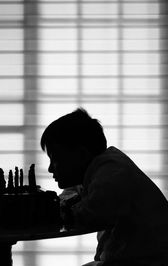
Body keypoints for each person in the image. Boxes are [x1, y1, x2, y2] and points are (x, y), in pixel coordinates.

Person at [40, 108, 168, 266]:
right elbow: (70, 196)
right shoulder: (96, 172)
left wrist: (49, 208)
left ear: (80, 155)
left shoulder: (111, 174)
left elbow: (87, 216)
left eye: (56, 159)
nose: (51, 168)